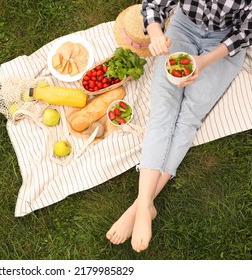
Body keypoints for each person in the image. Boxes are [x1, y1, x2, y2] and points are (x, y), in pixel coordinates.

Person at [106, 0, 251, 252]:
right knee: (162, 112)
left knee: (189, 117)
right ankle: (144, 205)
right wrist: (156, 33)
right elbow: (154, 5)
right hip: (183, 29)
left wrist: (204, 62)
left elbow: (246, 32)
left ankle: (140, 205)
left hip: (223, 46)